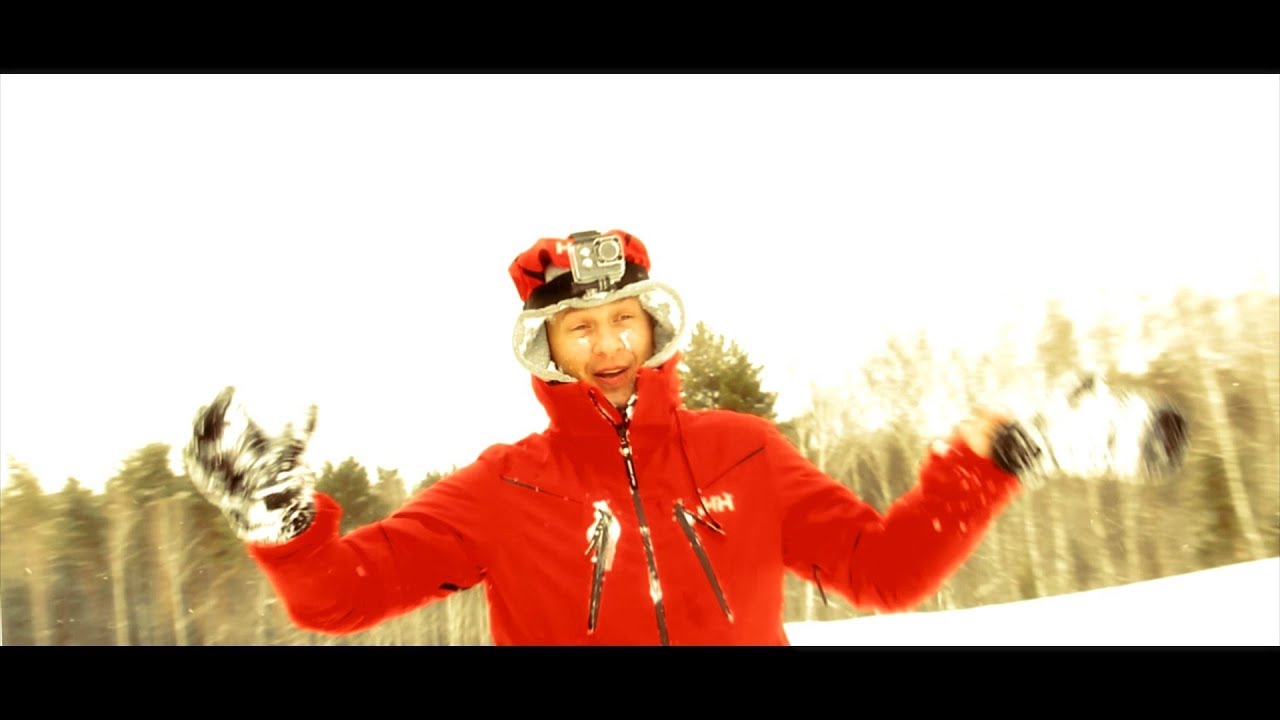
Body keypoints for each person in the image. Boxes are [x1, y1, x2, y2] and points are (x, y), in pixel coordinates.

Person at [183, 228, 1033, 646]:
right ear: (547, 353)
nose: (609, 345)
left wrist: (977, 470)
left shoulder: (744, 451)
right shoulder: (503, 488)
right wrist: (283, 524)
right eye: (580, 328)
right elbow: (336, 598)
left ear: (654, 329)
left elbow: (886, 573)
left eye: (624, 319)